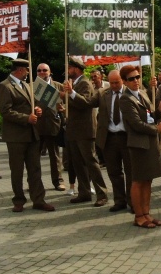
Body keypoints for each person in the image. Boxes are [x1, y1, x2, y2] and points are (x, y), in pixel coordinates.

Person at [0, 58, 54, 212]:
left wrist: (37, 111)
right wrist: (26, 118)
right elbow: (5, 111)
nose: (29, 74)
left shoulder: (27, 86)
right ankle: (19, 200)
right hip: (16, 136)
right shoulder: (4, 86)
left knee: (35, 169)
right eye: (27, 70)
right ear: (21, 70)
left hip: (32, 134)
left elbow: (32, 104)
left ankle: (38, 199)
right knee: (17, 170)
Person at [119, 65, 161, 228]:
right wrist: (156, 129)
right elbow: (137, 124)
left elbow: (150, 116)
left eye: (137, 77)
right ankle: (138, 215)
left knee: (148, 180)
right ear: (124, 81)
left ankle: (146, 213)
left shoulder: (142, 93)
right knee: (138, 180)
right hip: (138, 145)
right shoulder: (125, 99)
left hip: (149, 144)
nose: (136, 81)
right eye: (131, 79)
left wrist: (159, 111)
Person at [63, 57, 109, 206]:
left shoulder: (85, 83)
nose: (67, 70)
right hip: (73, 130)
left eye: (69, 67)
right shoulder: (73, 84)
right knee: (77, 163)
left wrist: (71, 94)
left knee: (91, 162)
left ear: (76, 69)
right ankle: (84, 192)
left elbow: (86, 104)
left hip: (85, 130)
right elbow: (73, 105)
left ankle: (102, 193)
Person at [91, 70, 132, 212]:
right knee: (114, 172)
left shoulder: (131, 91)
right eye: (112, 83)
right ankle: (119, 200)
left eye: (117, 82)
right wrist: (71, 94)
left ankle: (133, 201)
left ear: (123, 81)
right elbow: (87, 102)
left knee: (130, 171)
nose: (114, 85)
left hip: (128, 138)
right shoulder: (103, 94)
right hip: (109, 138)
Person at [35, 63, 66, 191]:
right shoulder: (32, 87)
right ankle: (35, 182)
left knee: (55, 156)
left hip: (53, 124)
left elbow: (65, 105)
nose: (42, 72)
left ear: (50, 71)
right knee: (34, 157)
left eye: (44, 70)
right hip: (37, 126)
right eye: (39, 70)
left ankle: (58, 181)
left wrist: (62, 109)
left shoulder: (59, 86)